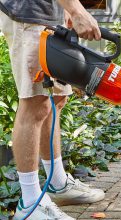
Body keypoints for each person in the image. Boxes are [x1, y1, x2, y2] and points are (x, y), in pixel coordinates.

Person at [0, 0, 105, 219]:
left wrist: (67, 8)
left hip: (49, 13)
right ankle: (29, 203)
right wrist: (77, 10)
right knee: (35, 102)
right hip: (28, 14)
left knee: (56, 99)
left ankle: (57, 184)